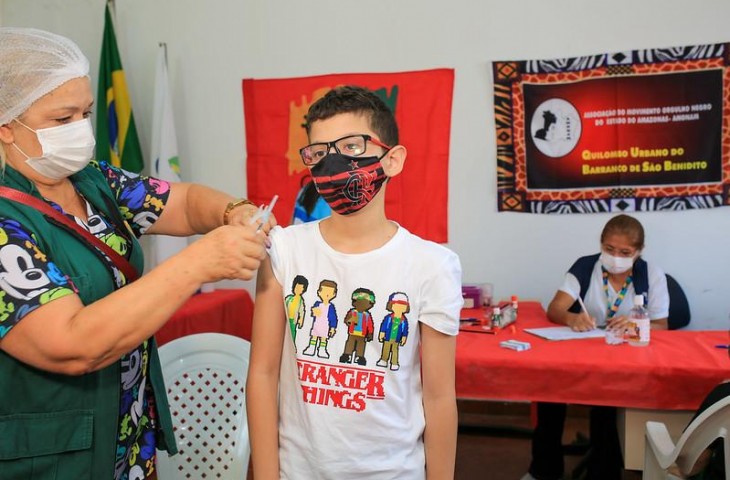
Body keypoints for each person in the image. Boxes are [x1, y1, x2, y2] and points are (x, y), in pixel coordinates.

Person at [0, 28, 272, 479]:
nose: (81, 129)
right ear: (7, 127)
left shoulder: (92, 181)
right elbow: (72, 344)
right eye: (63, 118)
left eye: (86, 113)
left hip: (125, 439)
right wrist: (197, 263)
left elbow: (183, 202)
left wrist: (233, 210)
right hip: (53, 457)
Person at [247, 85, 463, 479]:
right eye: (319, 153)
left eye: (351, 147)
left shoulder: (433, 265)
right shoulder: (284, 249)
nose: (333, 163)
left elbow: (439, 396)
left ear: (392, 159)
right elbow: (262, 374)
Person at [524, 214, 669, 480]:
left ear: (639, 251)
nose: (616, 258)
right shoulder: (585, 267)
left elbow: (662, 325)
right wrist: (572, 318)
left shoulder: (652, 275)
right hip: (582, 351)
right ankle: (545, 469)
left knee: (608, 402)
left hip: (625, 358)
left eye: (625, 252)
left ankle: (602, 471)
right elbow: (555, 309)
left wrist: (636, 324)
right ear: (601, 244)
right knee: (549, 390)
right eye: (610, 249)